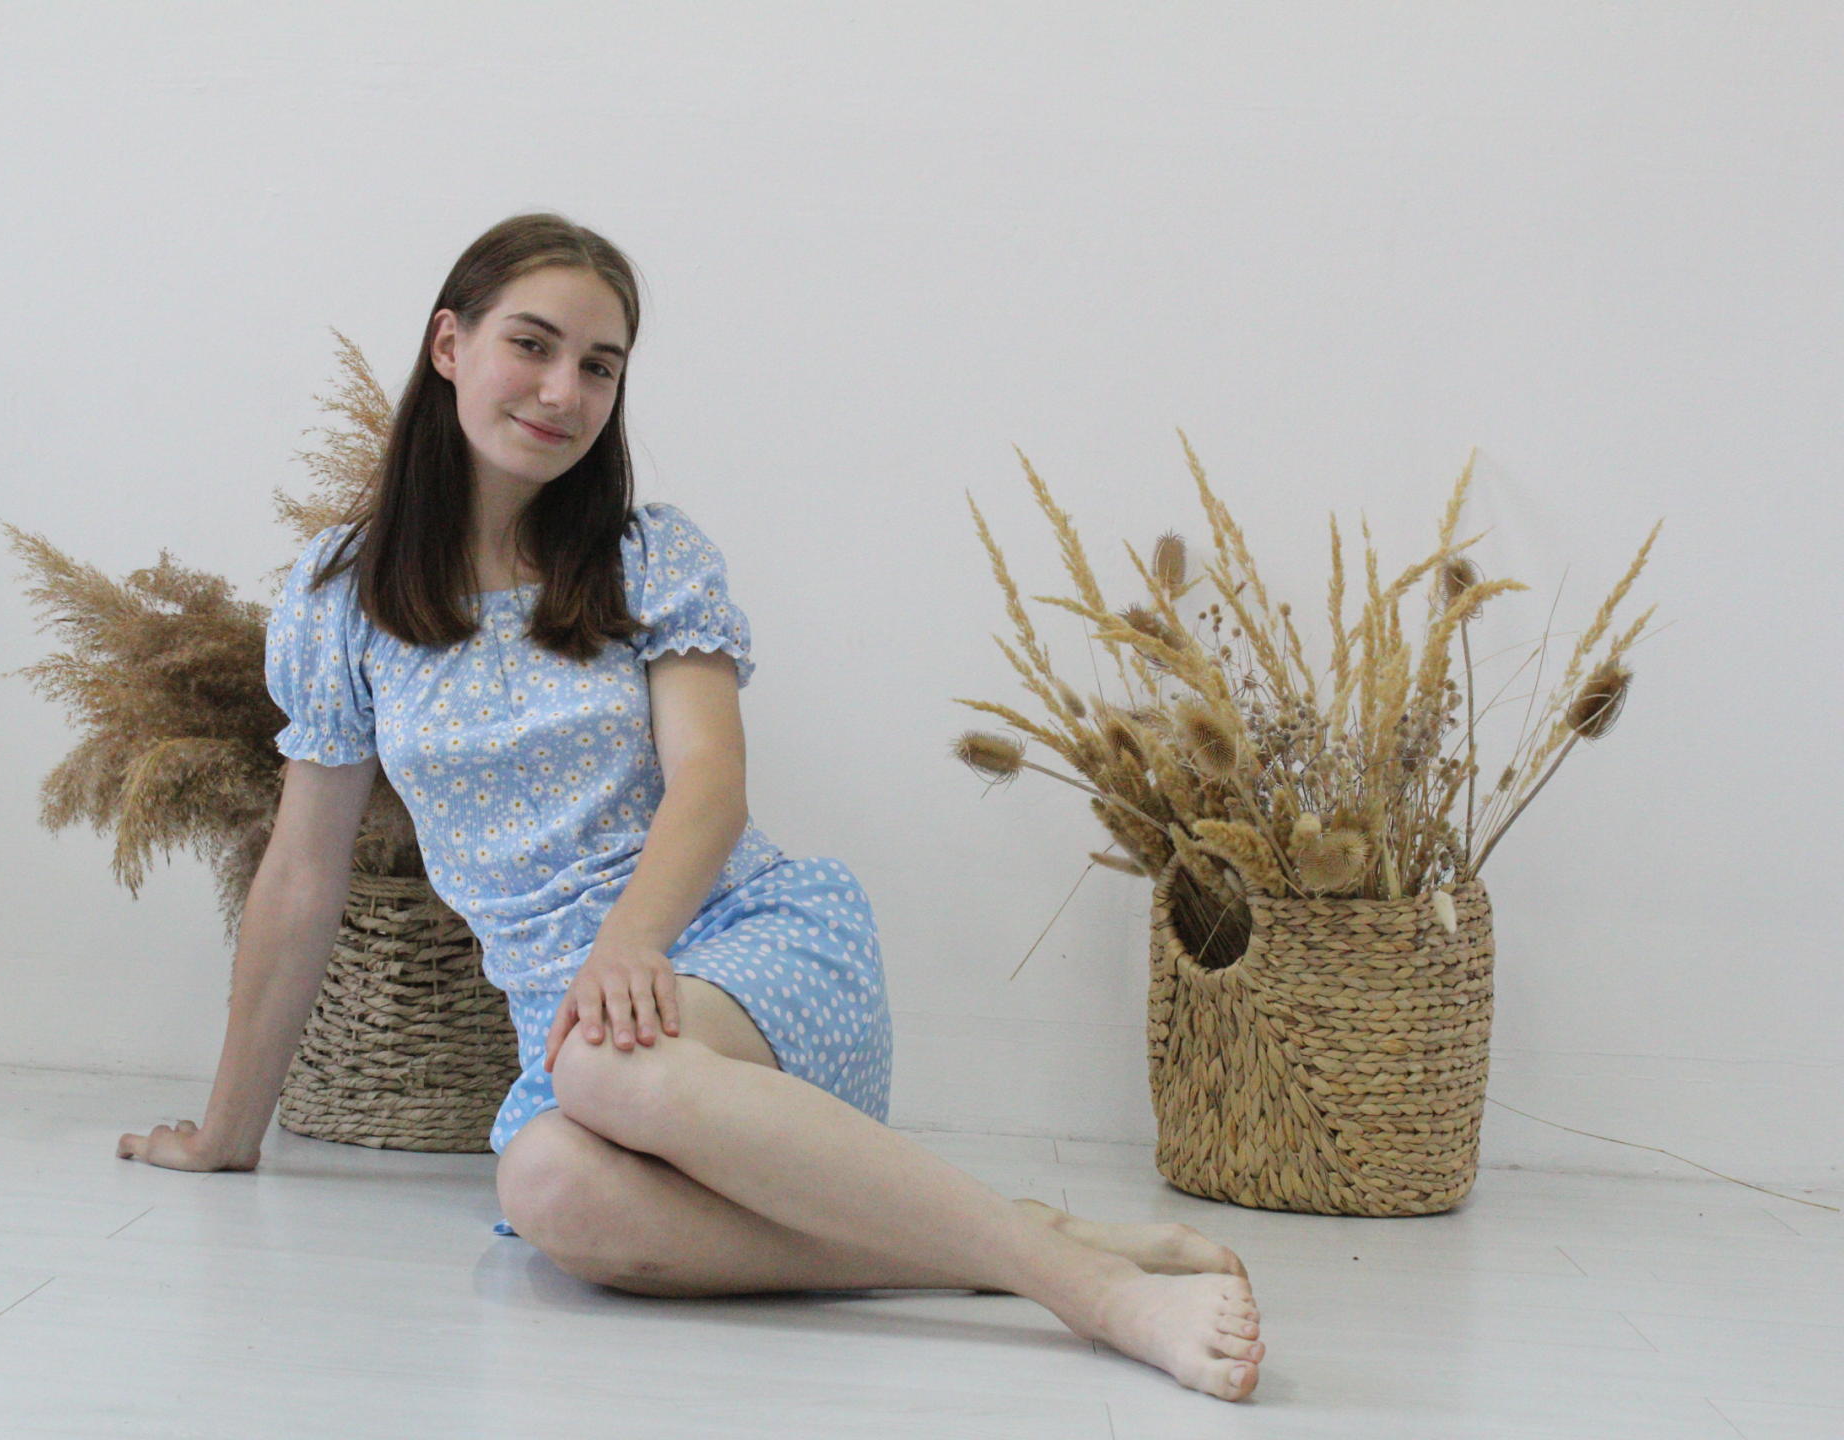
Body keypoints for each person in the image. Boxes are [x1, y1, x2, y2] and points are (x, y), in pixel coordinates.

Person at [116, 212, 1265, 1402]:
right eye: (533, 345)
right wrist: (227, 1134)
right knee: (545, 1187)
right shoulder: (341, 599)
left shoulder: (648, 558)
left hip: (738, 950)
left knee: (607, 1071)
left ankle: (1091, 1295)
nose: (563, 391)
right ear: (449, 345)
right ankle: (1020, 1237)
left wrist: (629, 944)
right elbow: (302, 875)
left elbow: (712, 784)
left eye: (599, 366)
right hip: (582, 1031)